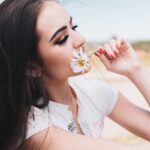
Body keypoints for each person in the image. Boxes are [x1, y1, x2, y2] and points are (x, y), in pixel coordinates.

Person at [0, 0, 150, 149]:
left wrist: (135, 70)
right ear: (32, 67)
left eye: (74, 27)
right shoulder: (32, 127)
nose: (81, 39)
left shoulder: (93, 93)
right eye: (62, 39)